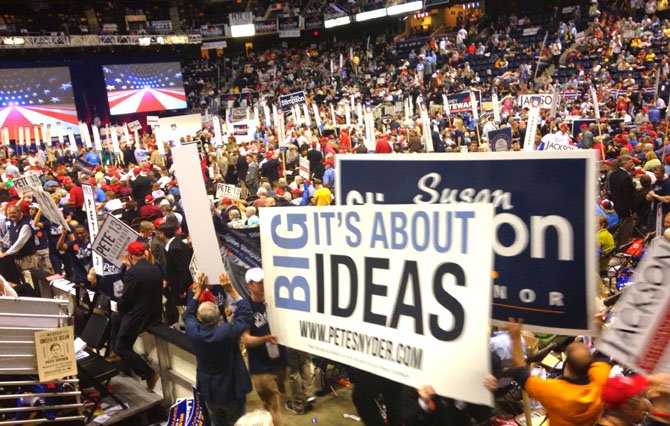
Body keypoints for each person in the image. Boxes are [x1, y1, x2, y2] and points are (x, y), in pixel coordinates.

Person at [509, 318, 611, 426]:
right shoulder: (600, 379)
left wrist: (515, 338)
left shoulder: (554, 390)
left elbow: (520, 374)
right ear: (591, 365)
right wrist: (598, 329)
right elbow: (604, 354)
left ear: (567, 366)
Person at [184, 272, 253, 426]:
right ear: (217, 318)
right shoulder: (227, 332)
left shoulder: (194, 333)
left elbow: (187, 314)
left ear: (199, 319)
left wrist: (198, 292)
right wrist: (231, 290)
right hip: (231, 390)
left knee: (216, 422)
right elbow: (247, 316)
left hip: (210, 391)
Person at [241, 267, 287, 426]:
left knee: (277, 402)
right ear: (250, 285)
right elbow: (246, 340)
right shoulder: (245, 308)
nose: (263, 285)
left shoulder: (274, 300)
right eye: (258, 282)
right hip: (261, 367)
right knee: (271, 407)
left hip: (279, 360)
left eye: (264, 281)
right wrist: (265, 338)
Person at [116, 241, 162, 390]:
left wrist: (120, 307)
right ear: (144, 253)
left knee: (121, 348)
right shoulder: (155, 268)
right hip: (154, 314)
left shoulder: (133, 273)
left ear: (129, 255)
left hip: (138, 317)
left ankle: (148, 374)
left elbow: (127, 298)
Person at [160, 223, 193, 325]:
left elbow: (184, 270)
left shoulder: (174, 248)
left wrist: (181, 289)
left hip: (181, 289)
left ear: (162, 234)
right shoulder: (176, 243)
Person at [0, 204, 37, 272]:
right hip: (17, 258)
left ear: (20, 212)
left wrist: (6, 253)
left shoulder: (25, 226)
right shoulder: (13, 223)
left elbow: (20, 242)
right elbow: (8, 239)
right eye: (10, 213)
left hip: (27, 259)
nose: (11, 215)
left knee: (30, 280)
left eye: (13, 213)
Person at [609, 155, 636, 246]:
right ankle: (622, 248)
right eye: (631, 162)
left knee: (618, 228)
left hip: (616, 206)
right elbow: (629, 195)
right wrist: (632, 210)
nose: (632, 164)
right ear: (625, 164)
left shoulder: (613, 174)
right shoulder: (625, 177)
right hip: (625, 209)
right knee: (625, 231)